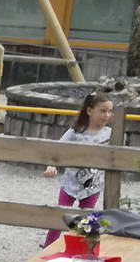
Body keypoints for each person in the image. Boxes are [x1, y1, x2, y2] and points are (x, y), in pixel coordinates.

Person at [40, 91, 113, 248]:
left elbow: (117, 155)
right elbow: (57, 149)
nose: (106, 115)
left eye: (109, 111)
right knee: (61, 214)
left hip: (93, 185)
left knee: (87, 218)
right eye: (102, 111)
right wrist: (52, 165)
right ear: (89, 111)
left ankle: (82, 248)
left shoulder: (110, 134)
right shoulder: (76, 131)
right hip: (70, 182)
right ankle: (48, 246)